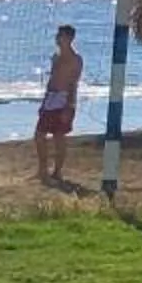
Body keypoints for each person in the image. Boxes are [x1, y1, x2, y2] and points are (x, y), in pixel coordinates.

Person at [34, 24, 84, 185]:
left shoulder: (76, 59)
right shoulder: (56, 57)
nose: (57, 38)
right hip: (51, 98)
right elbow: (51, 80)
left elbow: (73, 84)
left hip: (64, 99)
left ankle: (57, 172)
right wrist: (44, 102)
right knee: (39, 135)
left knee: (58, 137)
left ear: (69, 38)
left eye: (61, 35)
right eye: (57, 35)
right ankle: (42, 169)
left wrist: (69, 106)